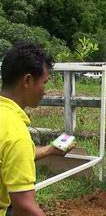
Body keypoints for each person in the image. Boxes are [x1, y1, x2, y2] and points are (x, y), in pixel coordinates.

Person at [0, 42, 73, 216]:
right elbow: (25, 207)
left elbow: (8, 156)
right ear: (27, 80)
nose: (45, 91)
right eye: (44, 82)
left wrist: (49, 150)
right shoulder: (16, 134)